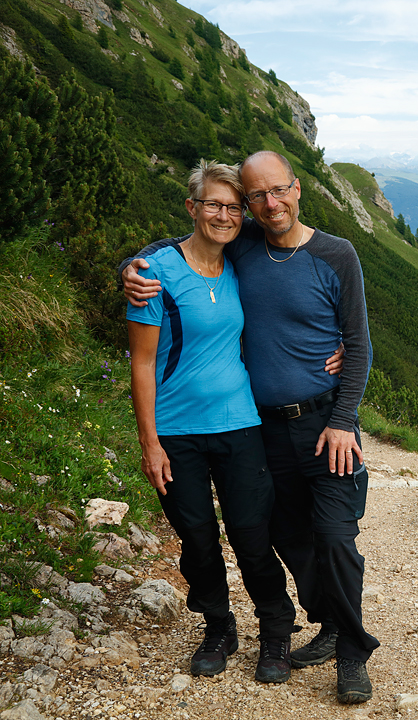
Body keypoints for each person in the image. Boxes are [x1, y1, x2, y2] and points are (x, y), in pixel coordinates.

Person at [122, 151, 379, 704]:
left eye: (276, 192)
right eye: (254, 197)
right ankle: (324, 624)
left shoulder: (337, 255)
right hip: (263, 427)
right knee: (283, 533)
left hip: (322, 426)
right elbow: (185, 246)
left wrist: (342, 420)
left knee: (331, 536)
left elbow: (358, 344)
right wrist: (132, 264)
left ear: (298, 188)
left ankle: (348, 651)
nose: (266, 205)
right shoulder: (244, 247)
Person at [128, 159, 296, 684]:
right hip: (177, 432)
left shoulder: (243, 260)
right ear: (192, 208)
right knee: (197, 538)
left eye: (232, 206)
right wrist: (150, 442)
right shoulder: (156, 273)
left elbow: (292, 294)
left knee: (251, 535)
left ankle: (275, 631)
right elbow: (142, 362)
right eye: (213, 205)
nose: (224, 215)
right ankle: (219, 627)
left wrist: (335, 343)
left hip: (241, 426)